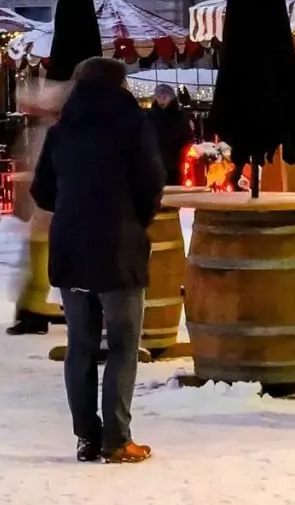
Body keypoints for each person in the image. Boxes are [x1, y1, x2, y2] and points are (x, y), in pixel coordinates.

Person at [30, 57, 167, 464]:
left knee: (81, 346)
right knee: (124, 345)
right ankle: (118, 439)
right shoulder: (132, 125)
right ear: (120, 85)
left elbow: (42, 190)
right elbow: (152, 182)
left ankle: (86, 439)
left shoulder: (62, 130)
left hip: (71, 246)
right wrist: (132, 219)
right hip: (118, 249)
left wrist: (73, 209)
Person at [147, 82, 191, 189]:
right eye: (159, 96)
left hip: (176, 164)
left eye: (164, 96)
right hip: (156, 165)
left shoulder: (179, 116)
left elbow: (186, 137)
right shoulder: (149, 117)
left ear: (171, 97)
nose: (162, 99)